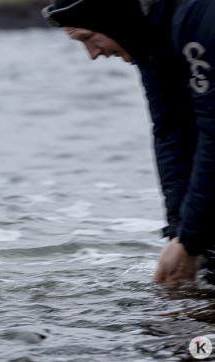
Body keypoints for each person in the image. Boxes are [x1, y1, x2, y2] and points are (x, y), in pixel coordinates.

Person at [41, 0, 215, 283]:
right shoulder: (148, 41)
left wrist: (190, 242)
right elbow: (171, 132)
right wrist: (178, 234)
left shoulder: (199, 22)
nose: (92, 54)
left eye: (87, 38)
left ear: (114, 19)